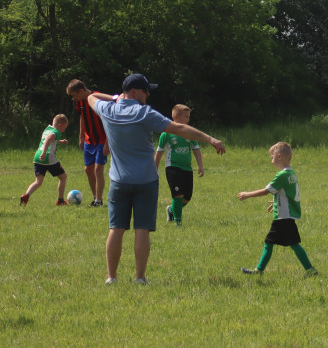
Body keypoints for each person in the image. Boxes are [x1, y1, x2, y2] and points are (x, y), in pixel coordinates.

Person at [88, 73, 225, 285]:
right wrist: (209, 138)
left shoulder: (108, 110)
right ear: (134, 92)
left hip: (118, 180)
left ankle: (111, 277)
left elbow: (91, 96)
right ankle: (140, 278)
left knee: (116, 229)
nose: (148, 94)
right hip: (145, 181)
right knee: (142, 229)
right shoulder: (144, 113)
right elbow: (178, 128)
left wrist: (117, 98)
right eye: (145, 90)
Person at [237, 142, 318, 277]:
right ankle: (260, 270)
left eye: (272, 157)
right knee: (278, 243)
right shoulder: (291, 173)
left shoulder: (281, 175)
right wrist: (275, 202)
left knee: (283, 243)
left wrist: (247, 194)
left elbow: (265, 191)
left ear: (279, 156)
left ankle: (309, 270)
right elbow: (286, 192)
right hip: (286, 215)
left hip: (283, 217)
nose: (271, 160)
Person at [154, 104, 205, 227]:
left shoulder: (190, 133)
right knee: (178, 195)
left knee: (187, 197)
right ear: (176, 117)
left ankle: (171, 210)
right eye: (186, 117)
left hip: (187, 168)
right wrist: (153, 169)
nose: (188, 120)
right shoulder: (166, 133)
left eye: (189, 117)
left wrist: (201, 166)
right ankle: (178, 222)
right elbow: (159, 152)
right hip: (173, 168)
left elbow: (196, 150)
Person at [66, 79, 109, 207]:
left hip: (102, 139)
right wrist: (81, 137)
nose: (74, 99)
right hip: (89, 140)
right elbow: (83, 118)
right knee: (88, 169)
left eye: (74, 95)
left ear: (80, 91)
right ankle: (95, 197)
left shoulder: (98, 99)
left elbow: (107, 120)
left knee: (98, 169)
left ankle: (99, 201)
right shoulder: (80, 102)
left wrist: (108, 141)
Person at [20, 114, 69, 206]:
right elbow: (49, 138)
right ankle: (60, 201)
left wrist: (61, 141)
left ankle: (26, 196)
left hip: (37, 158)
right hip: (47, 157)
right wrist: (44, 152)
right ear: (60, 125)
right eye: (64, 128)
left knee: (38, 181)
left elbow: (50, 139)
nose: (64, 130)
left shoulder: (47, 129)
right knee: (63, 177)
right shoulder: (56, 132)